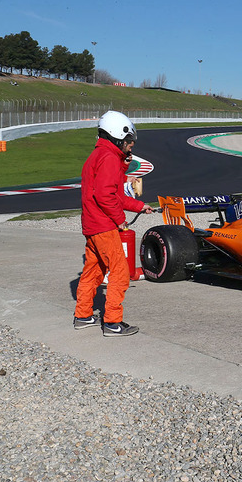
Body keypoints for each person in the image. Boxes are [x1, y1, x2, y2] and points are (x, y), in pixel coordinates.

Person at [73, 111, 153, 336]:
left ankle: (83, 315)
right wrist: (120, 221)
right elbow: (106, 196)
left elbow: (114, 191)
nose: (131, 146)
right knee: (119, 272)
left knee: (93, 270)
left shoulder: (100, 155)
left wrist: (139, 206)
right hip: (103, 224)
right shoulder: (108, 158)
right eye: (129, 142)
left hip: (91, 223)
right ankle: (112, 323)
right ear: (118, 137)